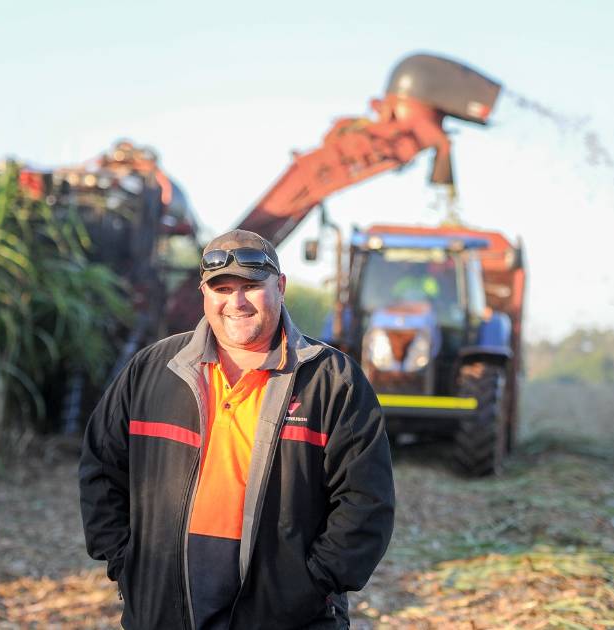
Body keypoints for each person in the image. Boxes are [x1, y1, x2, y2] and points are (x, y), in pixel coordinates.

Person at [79, 229, 395, 629]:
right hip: (162, 612)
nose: (236, 302)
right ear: (204, 293)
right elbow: (100, 468)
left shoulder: (332, 380)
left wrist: (311, 585)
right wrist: (128, 565)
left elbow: (366, 503)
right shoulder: (152, 370)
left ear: (280, 286)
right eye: (222, 288)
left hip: (290, 618)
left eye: (250, 286)